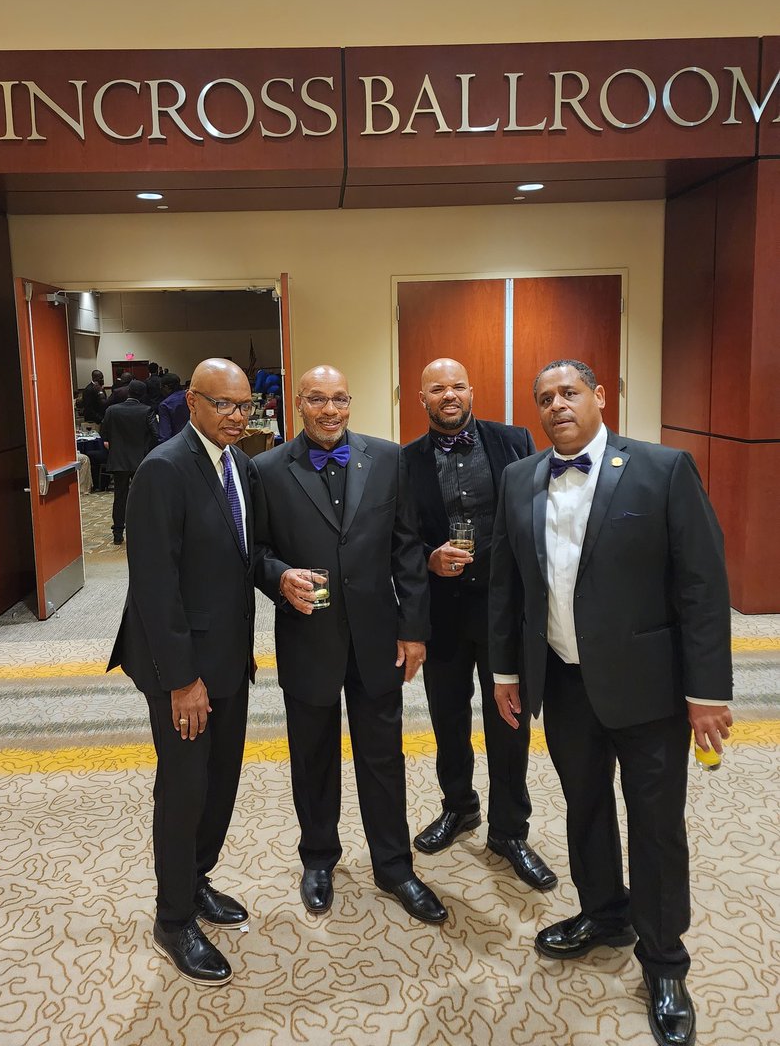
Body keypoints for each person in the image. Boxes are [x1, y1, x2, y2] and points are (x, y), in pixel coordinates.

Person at [489, 359, 733, 1046]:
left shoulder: (663, 469)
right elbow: (507, 587)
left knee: (655, 825)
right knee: (585, 806)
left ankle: (663, 961)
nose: (556, 404)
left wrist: (706, 692)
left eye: (569, 392)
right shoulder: (519, 478)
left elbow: (702, 587)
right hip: (563, 682)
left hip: (652, 689)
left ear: (601, 397)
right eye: (544, 397)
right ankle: (604, 915)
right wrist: (508, 671)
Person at [252, 365, 447, 925]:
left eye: (340, 398)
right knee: (312, 756)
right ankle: (318, 857)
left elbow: (407, 549)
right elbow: (256, 551)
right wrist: (278, 575)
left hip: (377, 637)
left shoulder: (387, 459)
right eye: (318, 399)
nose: (330, 410)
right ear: (298, 404)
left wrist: (413, 629)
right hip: (307, 636)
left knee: (383, 756)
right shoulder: (266, 468)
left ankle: (394, 865)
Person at [107, 359, 259, 987]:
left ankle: (197, 880)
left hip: (228, 656)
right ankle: (173, 918)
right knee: (184, 788)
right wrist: (182, 681)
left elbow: (247, 558)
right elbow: (155, 586)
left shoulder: (239, 466)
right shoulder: (164, 469)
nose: (237, 418)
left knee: (221, 778)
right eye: (224, 406)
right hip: (183, 667)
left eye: (245, 407)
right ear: (192, 403)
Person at [403, 358, 556, 890]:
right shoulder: (405, 462)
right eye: (437, 388)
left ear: (472, 390)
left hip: (503, 609)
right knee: (448, 719)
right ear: (420, 398)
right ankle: (459, 806)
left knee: (509, 722)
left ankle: (510, 829)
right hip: (442, 612)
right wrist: (428, 557)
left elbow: (539, 514)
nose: (449, 395)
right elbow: (399, 538)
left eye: (458, 386)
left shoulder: (512, 440)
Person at [100, 378, 158, 545]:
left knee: (120, 497)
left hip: (118, 460)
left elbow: (104, 433)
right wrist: (147, 450)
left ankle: (118, 533)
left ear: (128, 392)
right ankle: (143, 531)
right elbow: (156, 434)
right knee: (142, 497)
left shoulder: (112, 410)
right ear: (143, 394)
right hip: (141, 460)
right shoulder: (147, 410)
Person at [158, 372, 191, 442]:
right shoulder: (190, 398)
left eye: (161, 388)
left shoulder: (165, 405)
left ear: (166, 387)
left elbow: (165, 435)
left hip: (177, 444)